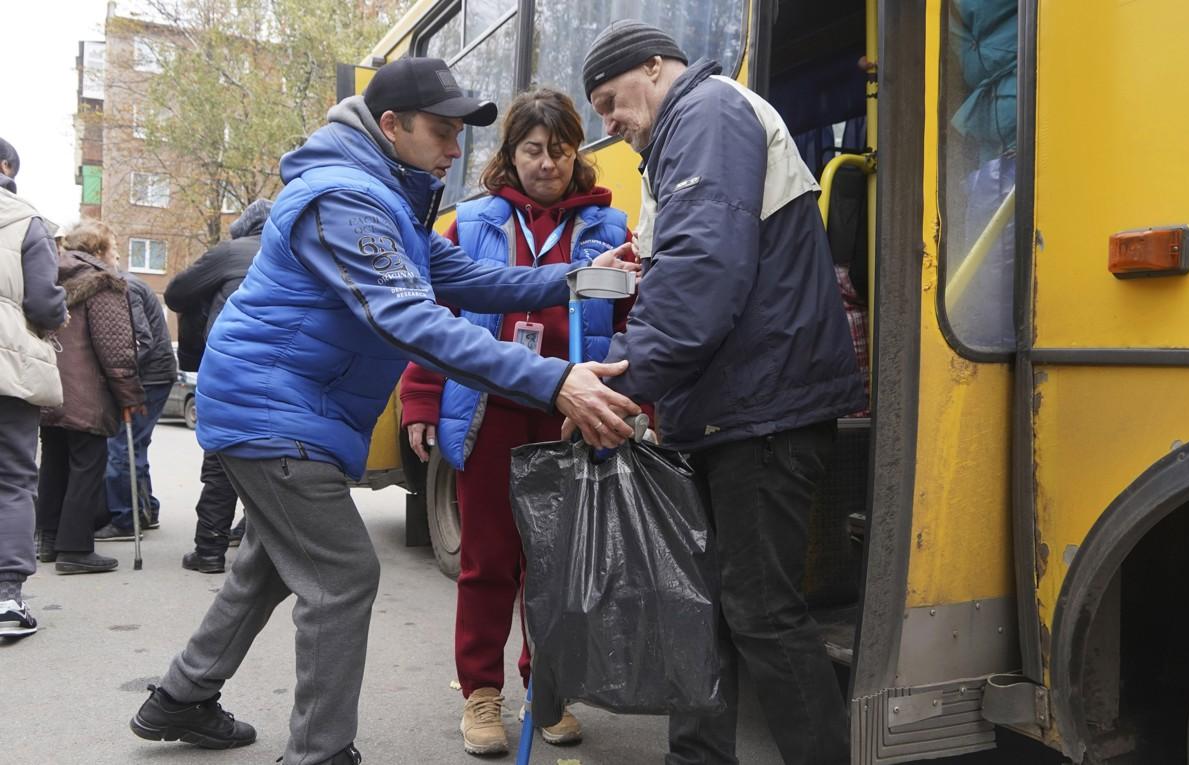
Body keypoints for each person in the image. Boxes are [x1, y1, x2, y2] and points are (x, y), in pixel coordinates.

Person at [130, 57, 640, 765]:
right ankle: (320, 750)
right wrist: (554, 380)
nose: (456, 149)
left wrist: (579, 275)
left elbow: (468, 277)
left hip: (288, 407)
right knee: (342, 576)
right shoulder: (346, 199)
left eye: (461, 133)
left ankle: (179, 697)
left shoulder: (390, 196)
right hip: (270, 410)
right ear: (392, 126)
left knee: (270, 565)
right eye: (442, 131)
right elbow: (411, 318)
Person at [581, 21, 866, 765]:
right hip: (727, 410)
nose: (607, 123)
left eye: (611, 101)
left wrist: (624, 380)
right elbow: (694, 267)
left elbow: (704, 274)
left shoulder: (704, 114)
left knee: (760, 611)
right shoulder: (685, 133)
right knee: (701, 604)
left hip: (759, 412)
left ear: (654, 67)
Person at [399, 87, 633, 755]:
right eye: (532, 150)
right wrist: (420, 399)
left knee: (555, 566)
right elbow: (432, 317)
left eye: (560, 150)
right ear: (510, 154)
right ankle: (480, 695)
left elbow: (627, 329)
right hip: (488, 413)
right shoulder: (471, 223)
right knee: (487, 562)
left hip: (569, 418)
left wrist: (631, 400)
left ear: (576, 154)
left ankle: (547, 689)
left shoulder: (609, 231)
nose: (546, 163)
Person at [163, 198, 272, 573]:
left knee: (222, 456)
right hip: (287, 370)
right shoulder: (300, 252)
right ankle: (259, 543)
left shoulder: (230, 252)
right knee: (272, 457)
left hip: (232, 366)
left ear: (242, 229)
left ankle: (209, 550)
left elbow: (176, 294)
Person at [35, 219, 145, 575]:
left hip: (49, 387)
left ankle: (48, 539)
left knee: (53, 463)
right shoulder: (105, 284)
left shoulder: (46, 277)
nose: (116, 256)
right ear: (98, 251)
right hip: (87, 393)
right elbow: (116, 350)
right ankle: (75, 549)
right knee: (86, 467)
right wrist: (129, 395)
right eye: (113, 248)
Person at [0, 138, 67, 637]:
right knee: (12, 480)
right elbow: (45, 305)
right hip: (7, 368)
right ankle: (5, 599)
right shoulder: (26, 221)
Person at [95, 270, 177, 541]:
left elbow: (142, 340)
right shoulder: (125, 283)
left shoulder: (124, 287)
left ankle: (127, 519)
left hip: (149, 378)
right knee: (135, 446)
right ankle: (146, 510)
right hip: (156, 375)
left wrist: (116, 374)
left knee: (121, 446)